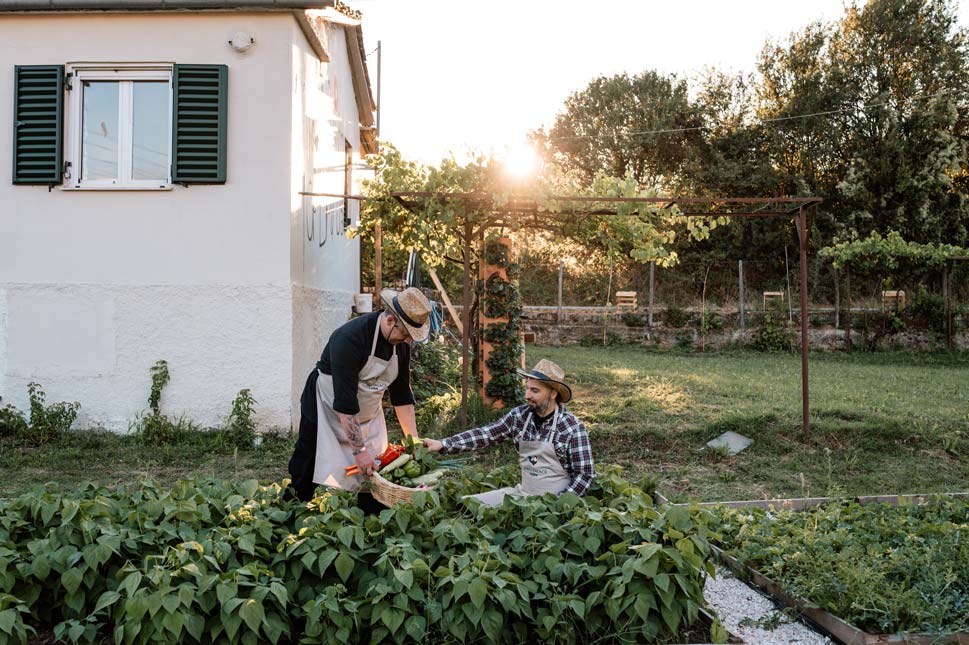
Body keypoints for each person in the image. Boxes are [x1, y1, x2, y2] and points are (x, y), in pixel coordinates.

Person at [286, 287, 431, 506]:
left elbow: (401, 397)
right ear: (391, 320)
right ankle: (293, 505)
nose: (407, 341)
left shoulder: (400, 347)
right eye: (406, 334)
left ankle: (370, 510)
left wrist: (414, 442)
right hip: (327, 403)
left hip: (367, 411)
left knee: (376, 464)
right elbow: (345, 402)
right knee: (308, 458)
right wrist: (359, 450)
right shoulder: (349, 339)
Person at [423, 359, 594, 506]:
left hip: (555, 505)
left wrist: (558, 506)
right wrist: (443, 444)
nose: (527, 395)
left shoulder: (572, 428)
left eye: (535, 391)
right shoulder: (519, 416)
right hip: (523, 495)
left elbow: (584, 475)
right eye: (527, 388)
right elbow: (486, 434)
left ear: (553, 393)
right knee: (468, 504)